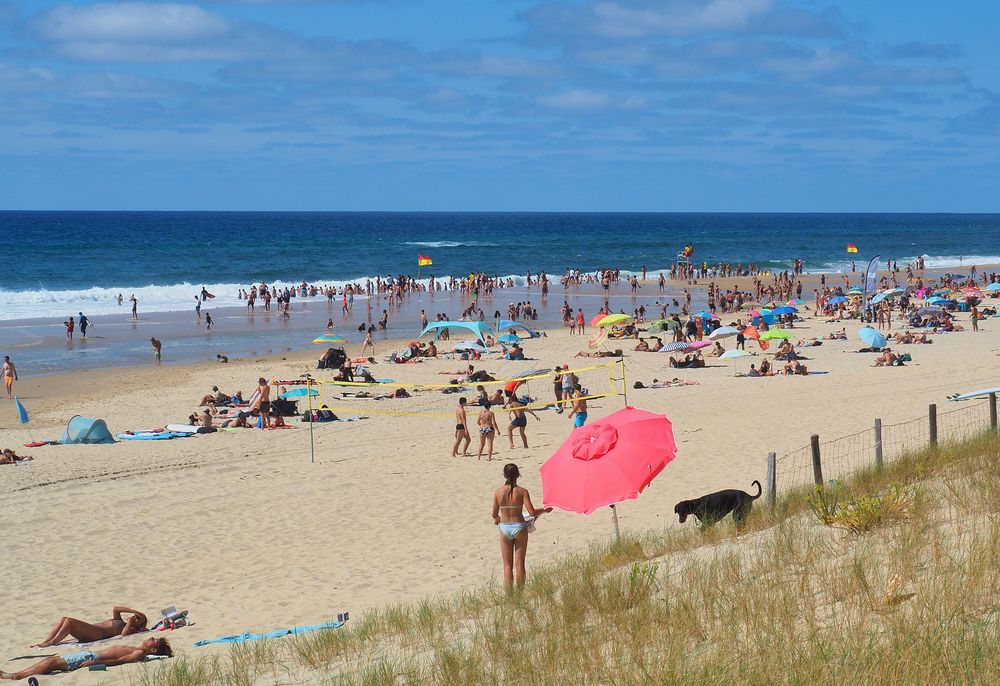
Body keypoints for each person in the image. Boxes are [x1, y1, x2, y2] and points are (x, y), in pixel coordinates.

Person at [491, 463, 552, 590]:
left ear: (504, 475)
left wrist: (497, 520)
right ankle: (520, 595)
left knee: (507, 565)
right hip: (519, 526)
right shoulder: (522, 491)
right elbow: (532, 513)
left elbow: (494, 515)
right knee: (520, 564)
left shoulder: (498, 492)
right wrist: (544, 510)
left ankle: (509, 597)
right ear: (518, 474)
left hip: (505, 528)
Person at [1, 636, 172, 680]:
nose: (149, 638)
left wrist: (96, 662)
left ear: (154, 649)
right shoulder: (137, 648)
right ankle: (17, 674)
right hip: (90, 654)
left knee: (52, 662)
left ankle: (15, 676)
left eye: (152, 640)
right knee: (50, 662)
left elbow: (120, 661)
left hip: (92, 657)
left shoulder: (139, 653)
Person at [31, 606, 148, 647]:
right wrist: (133, 610)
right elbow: (115, 608)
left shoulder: (131, 629)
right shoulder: (119, 620)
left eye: (139, 619)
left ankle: (53, 642)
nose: (135, 618)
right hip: (91, 630)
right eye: (136, 616)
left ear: (140, 625)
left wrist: (130, 622)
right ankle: (46, 641)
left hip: (97, 634)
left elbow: (124, 634)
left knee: (70, 622)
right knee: (64, 619)